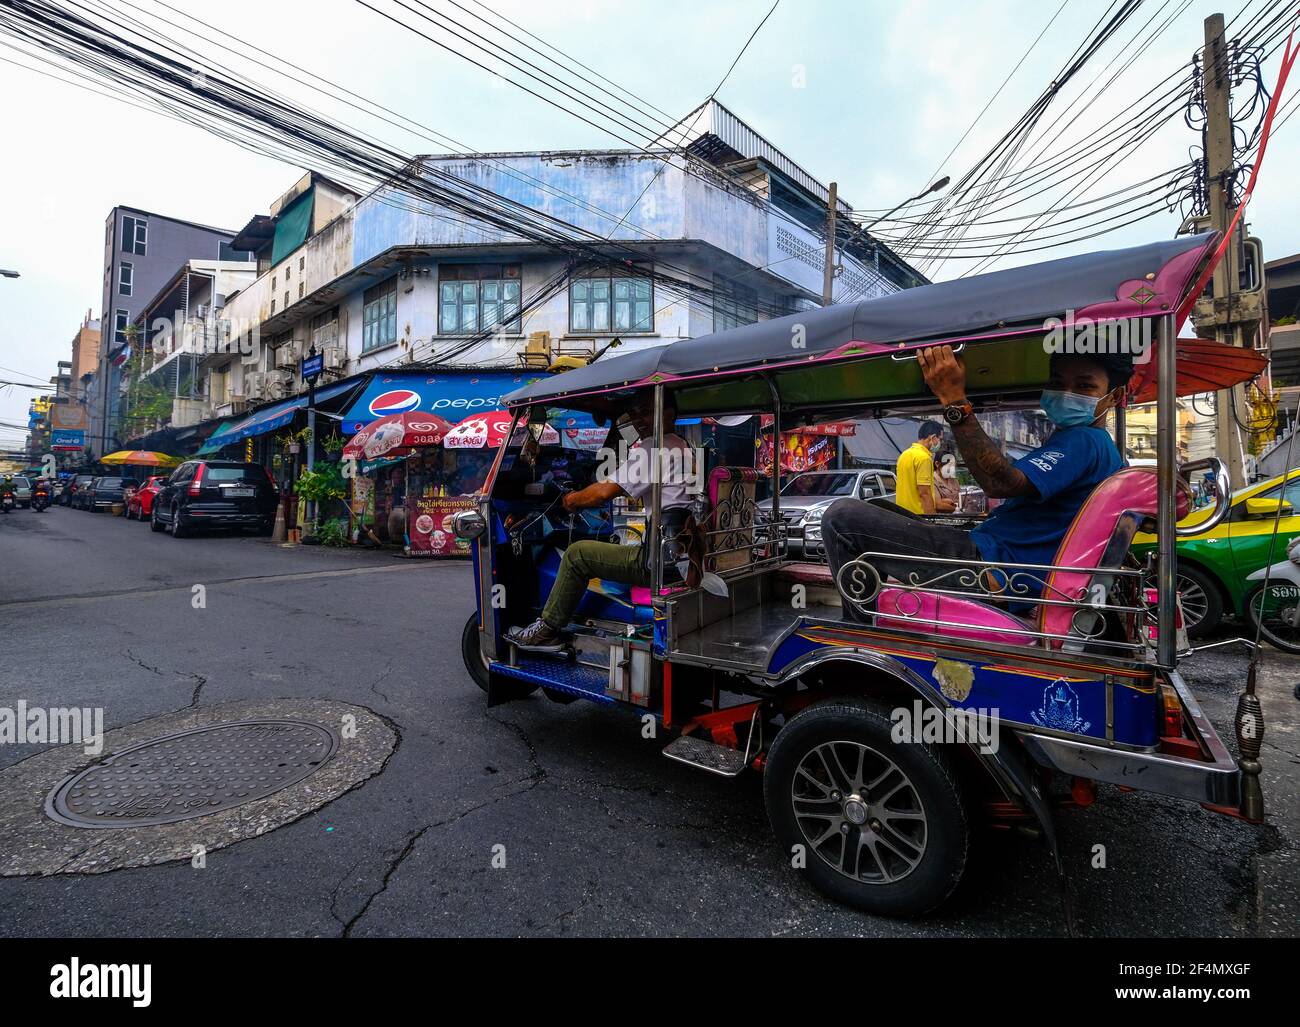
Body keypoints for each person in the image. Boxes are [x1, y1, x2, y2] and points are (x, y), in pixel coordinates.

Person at [822, 346, 1131, 619]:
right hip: (996, 560)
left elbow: (1001, 482)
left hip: (990, 571)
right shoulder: (1095, 446)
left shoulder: (1085, 441)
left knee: (841, 518)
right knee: (876, 507)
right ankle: (880, 611)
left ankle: (860, 625)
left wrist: (953, 399)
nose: (1066, 393)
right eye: (1057, 383)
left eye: (1084, 386)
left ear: (1115, 396)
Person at [506, 395, 695, 652]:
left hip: (658, 560)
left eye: (646, 412)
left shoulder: (655, 447)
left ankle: (547, 629)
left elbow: (604, 492)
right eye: (635, 413)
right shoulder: (682, 445)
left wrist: (572, 499)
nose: (638, 419)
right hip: (679, 553)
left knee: (577, 554)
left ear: (669, 413)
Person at [894, 420, 954, 515]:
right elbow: (924, 493)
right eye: (940, 439)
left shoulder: (904, 455)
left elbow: (911, 488)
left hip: (902, 514)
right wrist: (932, 519)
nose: (941, 443)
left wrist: (939, 502)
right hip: (918, 516)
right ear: (933, 437)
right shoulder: (924, 458)